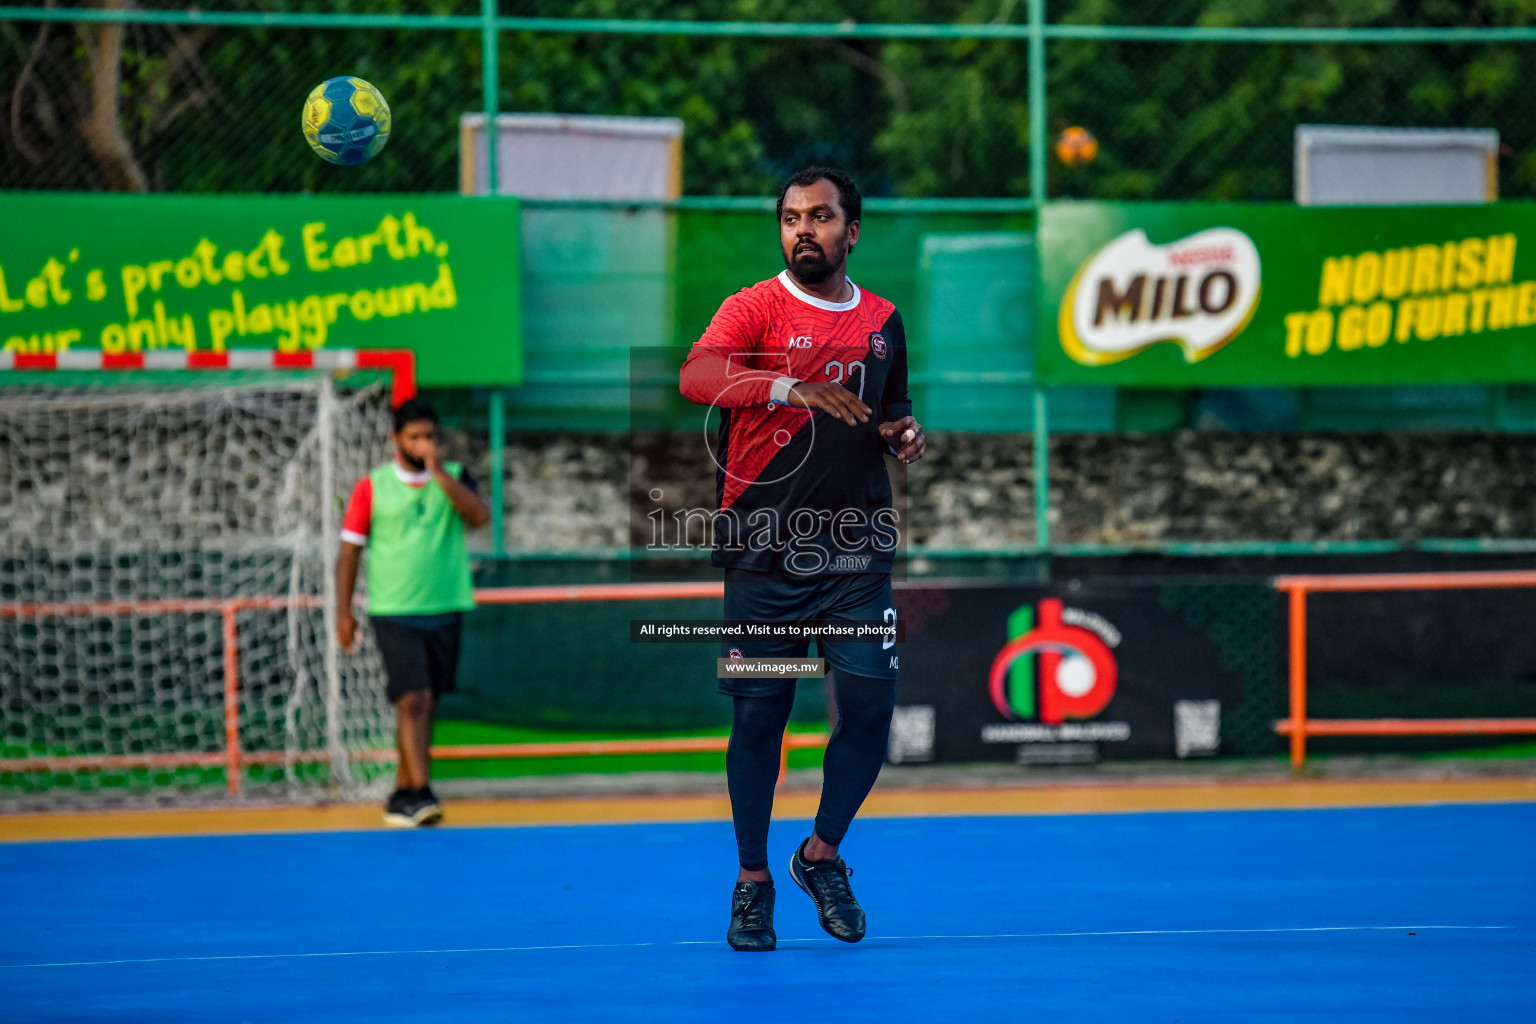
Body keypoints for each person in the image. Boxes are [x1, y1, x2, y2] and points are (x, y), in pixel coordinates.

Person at [678, 166, 927, 951]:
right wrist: (792, 387)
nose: (803, 230)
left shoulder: (883, 320)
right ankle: (752, 882)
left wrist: (904, 436)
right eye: (791, 218)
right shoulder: (753, 307)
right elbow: (697, 374)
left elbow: (895, 412)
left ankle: (821, 855)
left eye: (821, 217)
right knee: (760, 715)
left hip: (856, 556)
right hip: (762, 555)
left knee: (870, 712)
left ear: (852, 231)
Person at [336, 398, 490, 827]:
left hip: (444, 606)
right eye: (415, 437)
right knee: (412, 699)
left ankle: (402, 793)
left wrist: (438, 472)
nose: (424, 444)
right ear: (396, 440)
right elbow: (349, 552)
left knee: (427, 703)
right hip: (394, 609)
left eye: (430, 436)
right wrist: (343, 613)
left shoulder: (455, 477)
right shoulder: (373, 486)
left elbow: (478, 516)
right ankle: (422, 792)